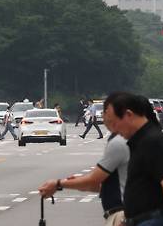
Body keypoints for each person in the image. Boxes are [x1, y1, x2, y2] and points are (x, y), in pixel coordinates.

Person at [39, 92, 129, 226]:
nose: (104, 117)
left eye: (107, 113)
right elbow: (102, 186)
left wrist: (59, 184)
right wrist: (73, 184)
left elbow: (93, 181)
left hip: (122, 215)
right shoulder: (131, 139)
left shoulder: (119, 141)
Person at [109, 93, 163, 226]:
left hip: (153, 220)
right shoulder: (140, 141)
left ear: (128, 115)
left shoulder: (153, 141)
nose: (114, 129)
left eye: (116, 122)